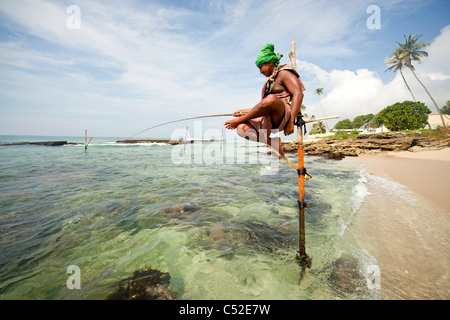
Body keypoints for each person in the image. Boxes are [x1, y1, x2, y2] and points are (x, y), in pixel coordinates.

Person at [224, 43, 305, 157]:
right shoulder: (271, 80)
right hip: (269, 118)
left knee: (270, 98)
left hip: (284, 116)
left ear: (270, 63)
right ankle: (272, 142)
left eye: (261, 67)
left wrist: (291, 122)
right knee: (241, 129)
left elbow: (298, 94)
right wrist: (244, 111)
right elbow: (265, 107)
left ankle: (243, 120)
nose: (260, 71)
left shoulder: (284, 73)